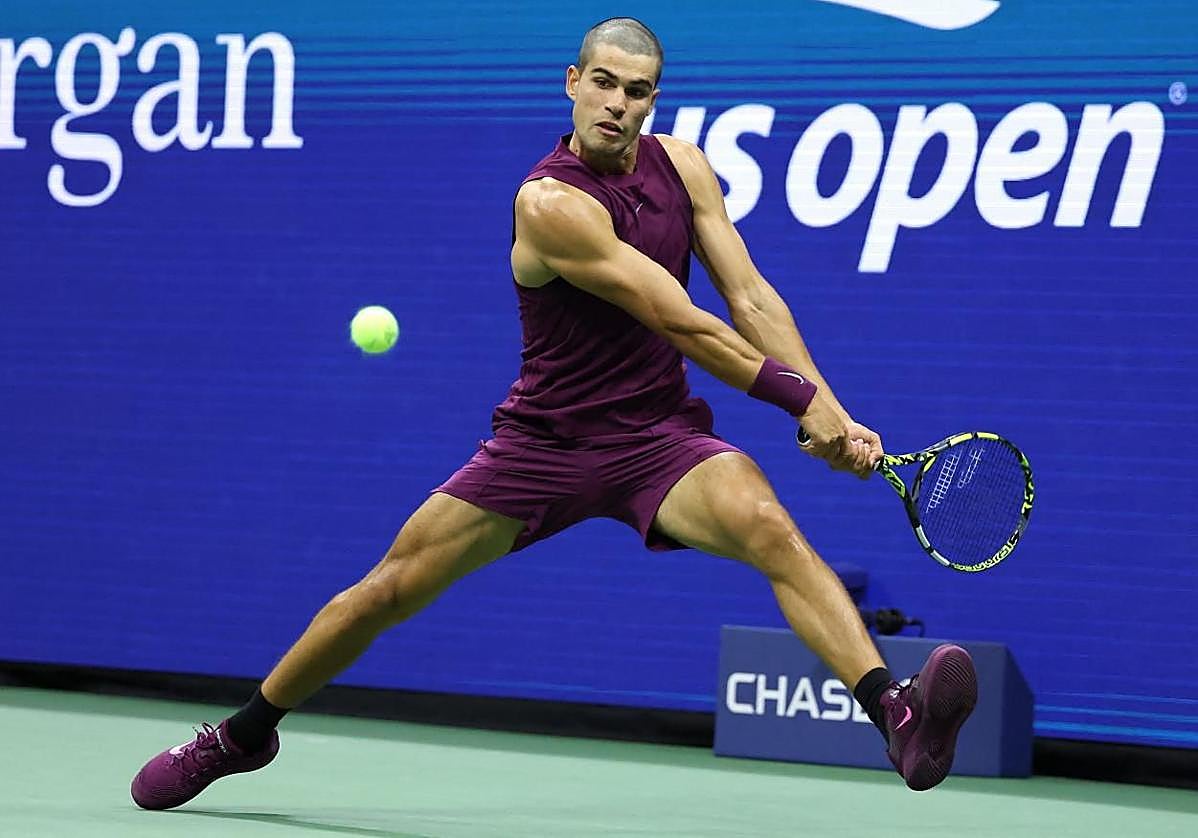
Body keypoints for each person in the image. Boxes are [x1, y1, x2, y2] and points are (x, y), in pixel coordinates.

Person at [131, 17, 977, 809]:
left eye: (637, 90)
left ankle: (894, 715)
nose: (618, 103)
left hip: (659, 438)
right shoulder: (549, 204)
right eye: (603, 83)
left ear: (655, 99)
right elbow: (680, 319)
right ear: (571, 82)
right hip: (545, 445)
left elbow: (750, 296)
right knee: (385, 592)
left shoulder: (683, 168)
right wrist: (796, 401)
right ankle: (242, 735)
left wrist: (830, 406)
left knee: (769, 527)